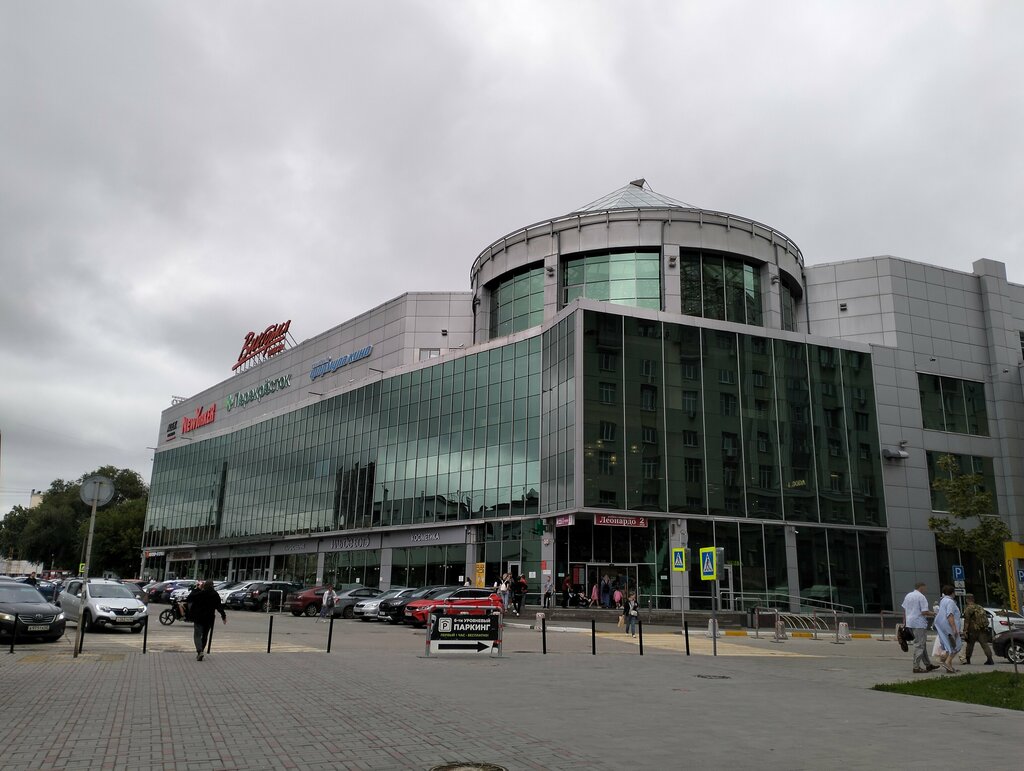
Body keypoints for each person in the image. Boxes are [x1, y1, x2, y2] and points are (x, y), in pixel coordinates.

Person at [901, 581, 937, 674]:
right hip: (919, 623)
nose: (926, 589)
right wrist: (934, 613)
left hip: (910, 623)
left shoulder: (908, 595)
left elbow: (904, 609)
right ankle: (916, 667)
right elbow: (924, 612)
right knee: (919, 645)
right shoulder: (921, 597)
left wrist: (904, 622)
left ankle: (928, 664)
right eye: (925, 588)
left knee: (922, 644)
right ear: (921, 587)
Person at [186, 580, 227, 661]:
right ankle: (201, 650)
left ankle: (199, 651)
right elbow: (219, 606)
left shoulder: (200, 593)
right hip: (209, 618)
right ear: (212, 585)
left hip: (198, 617)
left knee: (197, 635)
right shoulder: (215, 594)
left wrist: (197, 589)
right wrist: (223, 616)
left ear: (204, 586)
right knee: (205, 635)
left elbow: (190, 598)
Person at [933, 584, 963, 673]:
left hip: (942, 625)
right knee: (957, 645)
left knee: (949, 645)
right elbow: (950, 615)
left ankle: (949, 666)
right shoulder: (950, 602)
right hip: (949, 626)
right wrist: (954, 628)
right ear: (952, 593)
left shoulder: (943, 600)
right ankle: (947, 662)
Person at [962, 594, 995, 665]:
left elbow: (967, 621)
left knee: (970, 644)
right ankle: (990, 659)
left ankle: (968, 659)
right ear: (973, 599)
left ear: (967, 600)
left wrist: (965, 630)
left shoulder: (968, 608)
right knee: (984, 644)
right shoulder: (980, 607)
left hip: (972, 629)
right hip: (982, 628)